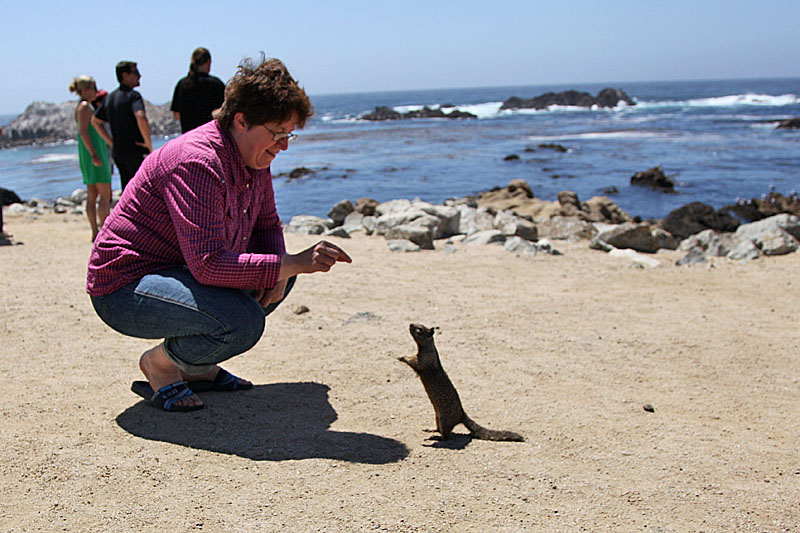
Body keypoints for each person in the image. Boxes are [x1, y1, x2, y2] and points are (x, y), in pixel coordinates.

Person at [86, 56, 351, 412]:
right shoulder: (197, 162)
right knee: (243, 319)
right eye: (277, 133)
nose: (284, 145)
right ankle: (161, 365)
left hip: (177, 273)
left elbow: (267, 225)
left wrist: (281, 269)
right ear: (241, 121)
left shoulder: (252, 157)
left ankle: (194, 367)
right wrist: (291, 263)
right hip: (124, 287)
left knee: (280, 278)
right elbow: (209, 265)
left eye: (289, 134)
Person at [92, 61, 152, 191]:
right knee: (143, 189)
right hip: (135, 150)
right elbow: (140, 116)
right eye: (135, 72)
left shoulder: (110, 97)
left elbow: (96, 121)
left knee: (128, 190)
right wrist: (148, 144)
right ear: (125, 75)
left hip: (118, 152)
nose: (139, 76)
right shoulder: (133, 96)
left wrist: (112, 143)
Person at [69, 75, 112, 241]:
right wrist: (94, 153)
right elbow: (84, 131)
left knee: (92, 194)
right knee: (104, 194)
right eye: (93, 88)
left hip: (88, 153)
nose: (95, 91)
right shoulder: (85, 107)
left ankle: (96, 230)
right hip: (94, 152)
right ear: (85, 89)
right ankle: (102, 230)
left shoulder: (81, 107)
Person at [171, 47, 225, 133]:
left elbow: (176, 115)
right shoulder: (216, 84)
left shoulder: (182, 84)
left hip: (188, 138)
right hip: (210, 137)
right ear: (208, 61)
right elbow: (224, 112)